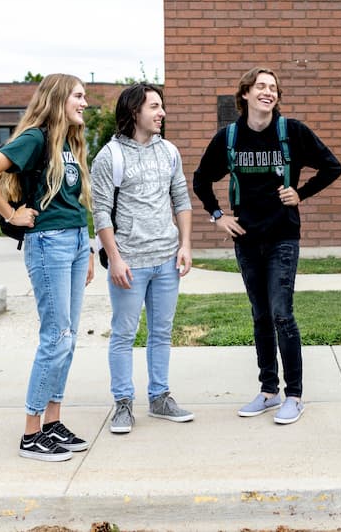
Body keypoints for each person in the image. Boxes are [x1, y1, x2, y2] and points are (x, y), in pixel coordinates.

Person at [192, 67, 341, 425]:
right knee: (260, 316)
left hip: (283, 237)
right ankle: (268, 391)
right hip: (245, 238)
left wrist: (299, 193)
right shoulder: (229, 138)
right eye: (260, 86)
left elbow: (331, 167)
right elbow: (200, 179)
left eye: (273, 87)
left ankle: (294, 395)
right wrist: (218, 216)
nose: (268, 92)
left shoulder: (292, 132)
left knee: (281, 313)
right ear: (245, 94)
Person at [0, 73, 95, 462]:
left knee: (68, 337)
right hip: (49, 244)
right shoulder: (36, 138)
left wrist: (88, 247)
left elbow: (75, 201)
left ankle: (53, 422)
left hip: (73, 241)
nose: (85, 103)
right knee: (55, 336)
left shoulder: (69, 142)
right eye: (78, 95)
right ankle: (30, 433)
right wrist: (10, 213)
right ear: (58, 98)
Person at [91, 82, 194, 434]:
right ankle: (122, 404)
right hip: (130, 263)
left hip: (167, 260)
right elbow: (101, 212)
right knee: (123, 333)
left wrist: (185, 245)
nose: (161, 112)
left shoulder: (169, 152)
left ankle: (160, 397)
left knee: (161, 333)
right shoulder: (110, 156)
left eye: (161, 106)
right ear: (135, 111)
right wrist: (115, 258)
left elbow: (181, 199)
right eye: (154, 107)